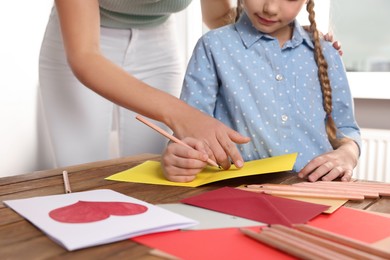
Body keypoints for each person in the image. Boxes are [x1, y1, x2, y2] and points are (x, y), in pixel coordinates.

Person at [161, 0, 361, 183]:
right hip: (237, 194)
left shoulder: (327, 52)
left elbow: (346, 129)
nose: (270, 8)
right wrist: (180, 157)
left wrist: (348, 153)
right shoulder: (213, 46)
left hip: (320, 192)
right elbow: (189, 131)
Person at [37, 0, 251, 171]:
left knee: (152, 170)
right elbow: (85, 56)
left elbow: (218, 16)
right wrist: (185, 114)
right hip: (80, 40)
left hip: (158, 39)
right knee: (81, 171)